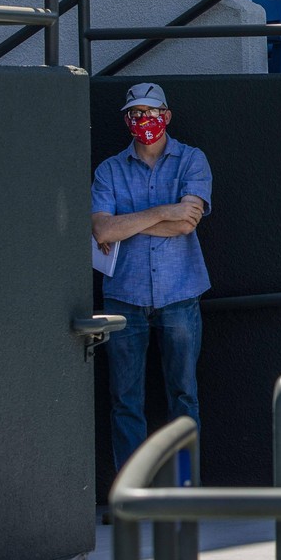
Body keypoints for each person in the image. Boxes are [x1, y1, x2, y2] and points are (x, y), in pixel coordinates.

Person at [91, 82, 213, 471]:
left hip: (180, 295)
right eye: (136, 114)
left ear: (167, 116)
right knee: (125, 400)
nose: (145, 121)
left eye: (152, 112)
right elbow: (103, 232)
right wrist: (165, 211)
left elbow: (187, 223)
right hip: (124, 297)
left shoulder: (192, 160)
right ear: (127, 120)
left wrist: (129, 223)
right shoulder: (109, 169)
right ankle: (133, 494)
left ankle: (184, 486)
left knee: (184, 395)